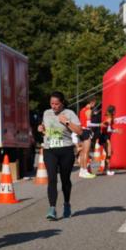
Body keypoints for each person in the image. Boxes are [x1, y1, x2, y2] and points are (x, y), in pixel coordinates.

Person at [37, 92, 82, 220]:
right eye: (52, 103)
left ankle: (67, 204)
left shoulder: (69, 113)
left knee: (65, 179)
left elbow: (79, 131)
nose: (54, 106)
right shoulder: (47, 113)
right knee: (52, 179)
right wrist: (41, 128)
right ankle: (52, 208)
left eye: (56, 104)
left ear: (62, 103)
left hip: (66, 150)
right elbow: (45, 127)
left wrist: (66, 122)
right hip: (50, 150)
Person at [77, 97, 96, 178]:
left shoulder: (82, 110)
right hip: (86, 131)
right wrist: (99, 124)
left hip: (81, 131)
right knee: (86, 152)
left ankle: (82, 170)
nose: (94, 105)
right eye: (94, 103)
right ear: (92, 102)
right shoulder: (89, 110)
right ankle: (84, 171)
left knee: (82, 152)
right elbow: (88, 124)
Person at [100, 105, 116, 175]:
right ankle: (107, 170)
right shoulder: (109, 118)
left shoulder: (106, 116)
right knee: (109, 153)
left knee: (108, 153)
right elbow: (108, 129)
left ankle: (105, 170)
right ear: (112, 111)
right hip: (105, 136)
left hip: (104, 136)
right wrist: (116, 131)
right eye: (114, 110)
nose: (115, 112)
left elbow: (106, 126)